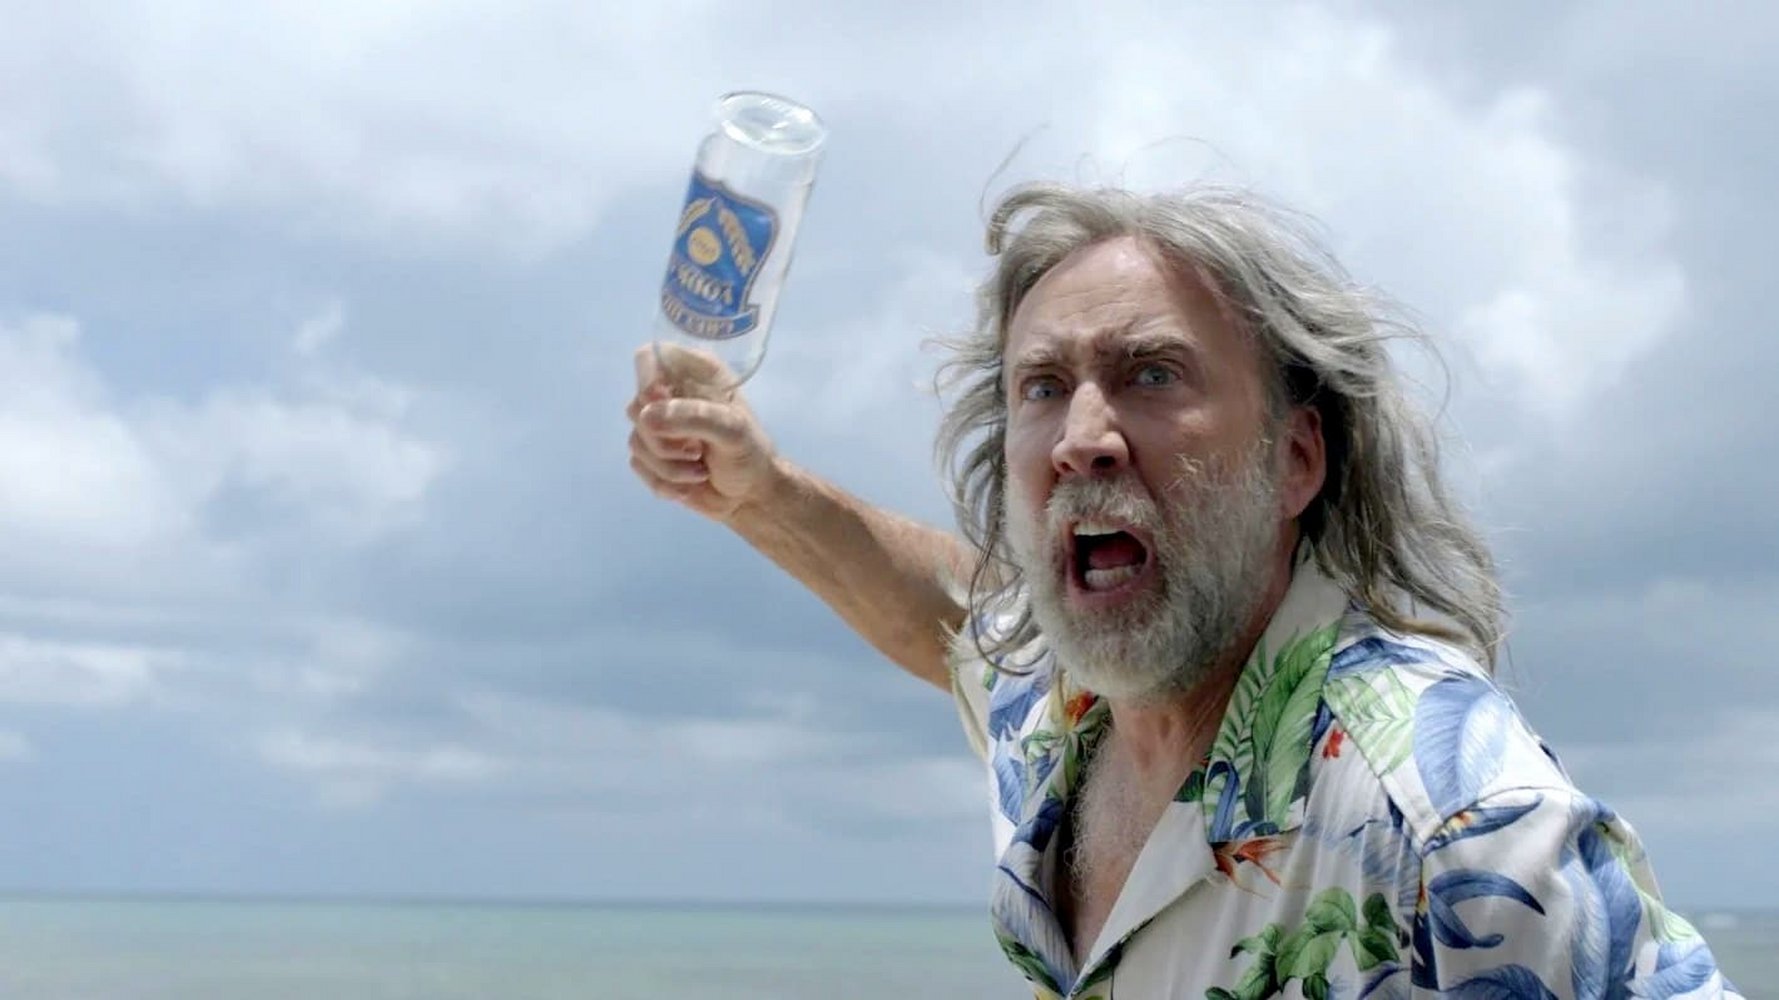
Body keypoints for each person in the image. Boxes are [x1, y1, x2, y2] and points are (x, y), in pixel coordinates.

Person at [626, 183, 1743, 999]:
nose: (1083, 435)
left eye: (1151, 374)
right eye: (1042, 386)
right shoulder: (1060, 704)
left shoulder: (1450, 815)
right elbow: (952, 616)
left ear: (1295, 458)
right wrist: (758, 493)